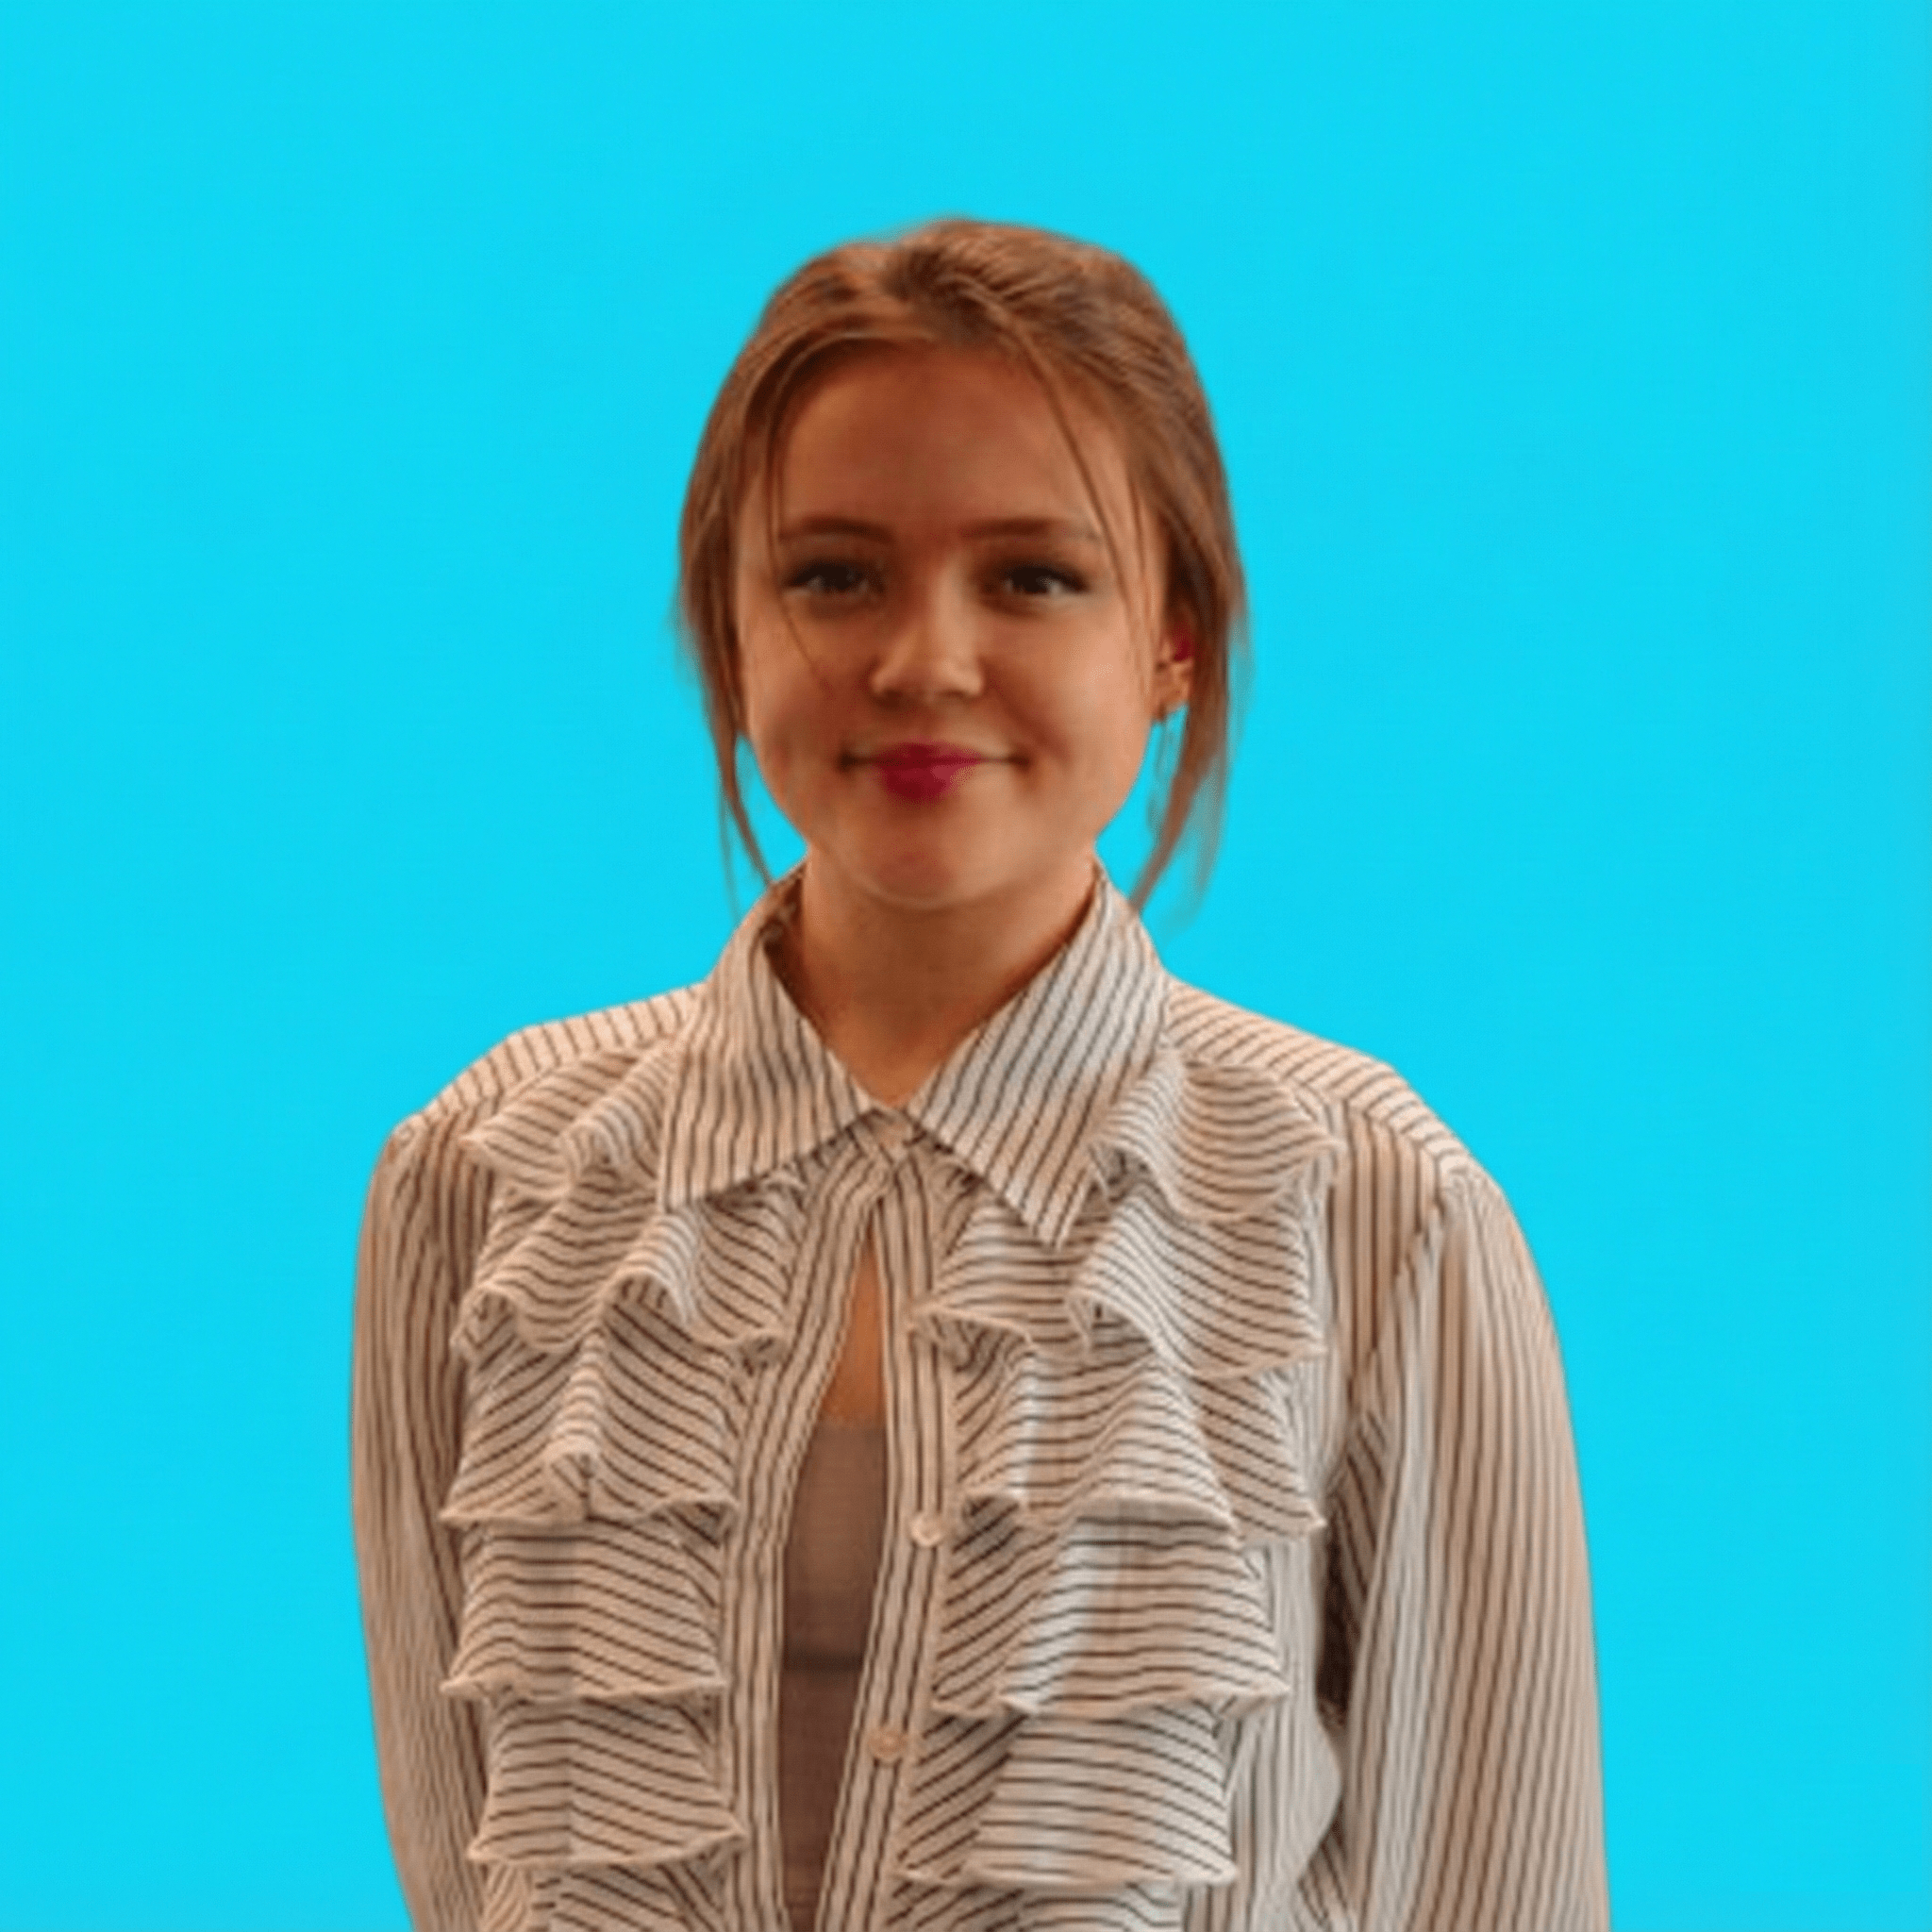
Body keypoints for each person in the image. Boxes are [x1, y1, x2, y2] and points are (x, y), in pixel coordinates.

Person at [352, 217, 1609, 1932]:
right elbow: (460, 1865)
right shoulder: (481, 1179)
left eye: (1033, 575)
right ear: (728, 634)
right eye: (834, 574)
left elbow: (1497, 1895)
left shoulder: (1378, 1206)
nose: (926, 660)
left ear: (1172, 639)